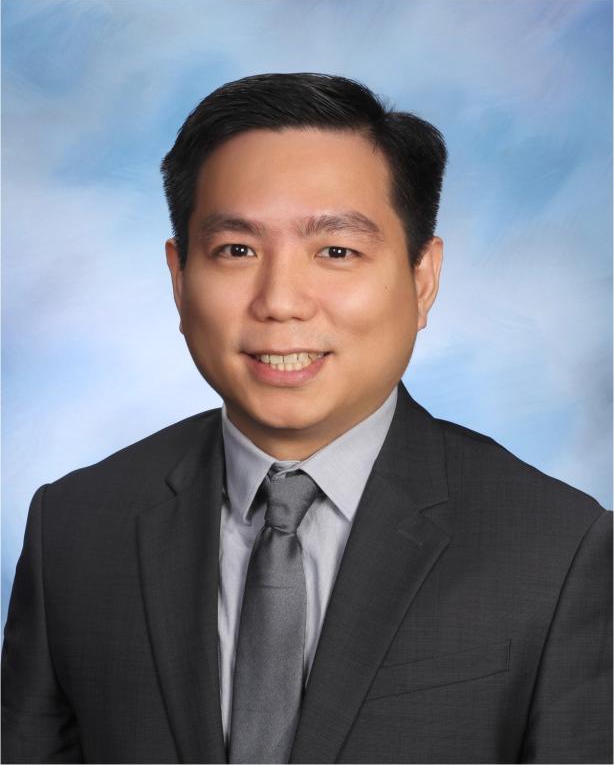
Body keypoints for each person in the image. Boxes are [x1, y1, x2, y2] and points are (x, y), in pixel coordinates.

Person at [1, 72, 611, 765]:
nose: (281, 301)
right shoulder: (76, 527)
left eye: (336, 251)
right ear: (179, 279)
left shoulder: (559, 548)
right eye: (237, 250)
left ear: (422, 278)